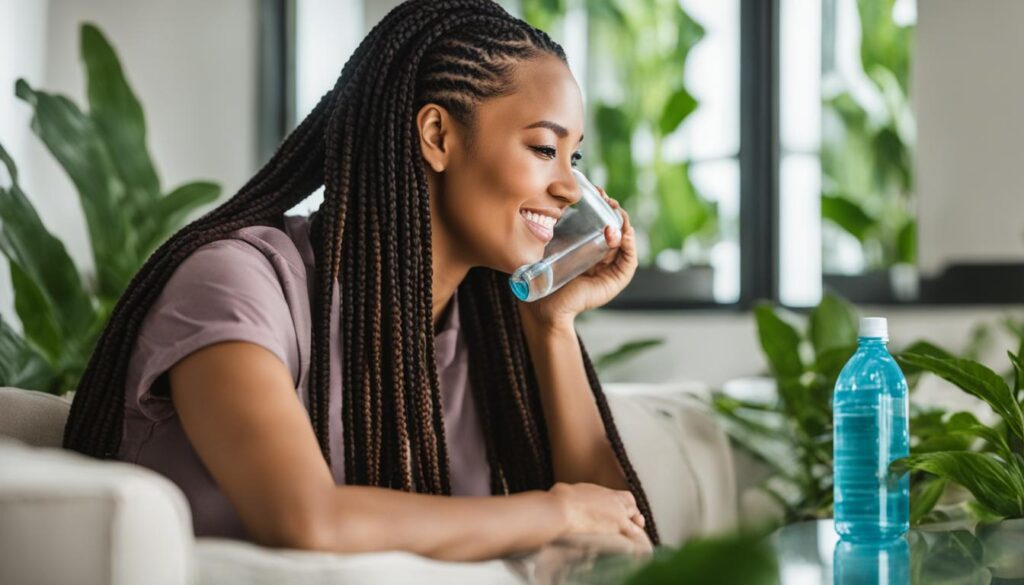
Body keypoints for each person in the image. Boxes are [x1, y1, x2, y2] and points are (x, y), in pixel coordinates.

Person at [63, 0, 658, 561]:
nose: (569, 188)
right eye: (543, 147)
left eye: (573, 158)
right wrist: (554, 513)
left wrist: (552, 326)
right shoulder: (236, 283)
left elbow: (621, 544)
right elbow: (307, 522)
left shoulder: (487, 327)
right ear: (437, 136)